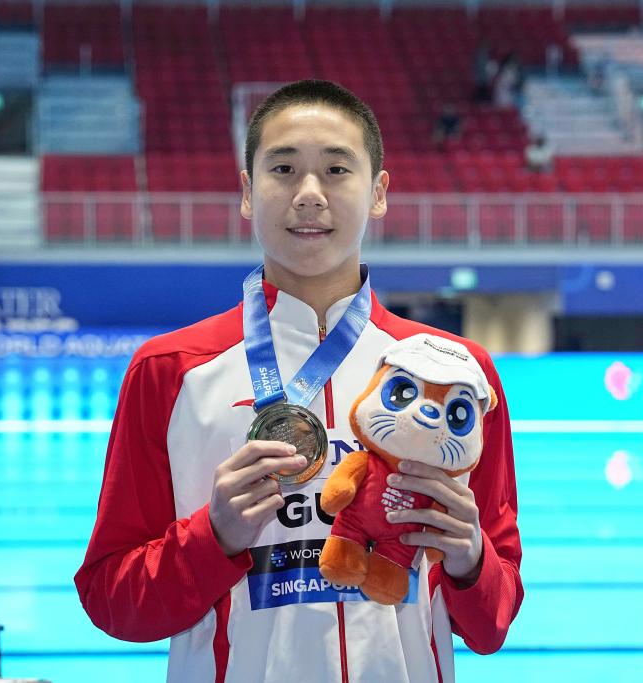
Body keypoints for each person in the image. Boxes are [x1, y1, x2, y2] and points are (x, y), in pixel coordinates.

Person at [74, 79, 523, 683]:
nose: (309, 194)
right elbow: (112, 600)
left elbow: (493, 623)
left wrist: (472, 560)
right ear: (247, 192)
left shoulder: (458, 375)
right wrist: (213, 537)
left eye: (336, 170)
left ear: (379, 193)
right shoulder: (171, 371)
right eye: (283, 169)